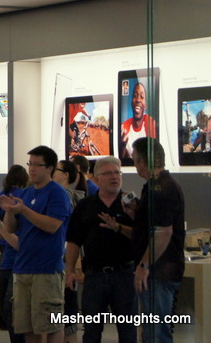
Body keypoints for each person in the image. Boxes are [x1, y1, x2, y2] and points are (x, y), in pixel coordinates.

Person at [0, 145, 71, 343]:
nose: (32, 169)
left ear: (50, 168)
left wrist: (24, 211)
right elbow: (11, 229)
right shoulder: (26, 193)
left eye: (37, 165)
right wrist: (11, 211)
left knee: (50, 324)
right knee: (27, 325)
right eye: (30, 164)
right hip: (22, 267)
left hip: (46, 269)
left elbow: (52, 226)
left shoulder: (57, 193)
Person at [65, 156, 136, 343]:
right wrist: (70, 271)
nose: (114, 177)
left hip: (125, 275)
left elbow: (142, 237)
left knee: (128, 330)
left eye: (117, 172)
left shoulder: (132, 204)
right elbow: (73, 241)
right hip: (94, 276)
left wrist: (120, 227)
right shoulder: (85, 206)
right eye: (108, 173)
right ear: (97, 178)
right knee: (91, 331)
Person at [131, 137, 185, 343]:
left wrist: (144, 265)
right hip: (157, 271)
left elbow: (163, 232)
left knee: (156, 333)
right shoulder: (155, 187)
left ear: (143, 162)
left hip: (159, 272)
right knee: (152, 330)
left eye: (135, 160)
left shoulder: (160, 189)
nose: (135, 165)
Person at [0, 164, 29, 343]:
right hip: (9, 259)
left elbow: (11, 238)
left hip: (12, 260)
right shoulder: (22, 197)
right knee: (9, 310)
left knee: (10, 310)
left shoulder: (3, 197)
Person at [52, 159, 86, 343]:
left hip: (66, 259)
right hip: (61, 259)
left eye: (55, 169)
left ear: (66, 175)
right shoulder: (75, 196)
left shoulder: (68, 197)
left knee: (67, 308)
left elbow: (74, 234)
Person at [120, 83, 158, 160]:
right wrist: (123, 145)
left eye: (142, 97)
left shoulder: (150, 123)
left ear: (145, 106)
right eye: (135, 96)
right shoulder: (124, 126)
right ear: (131, 104)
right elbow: (123, 159)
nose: (138, 100)